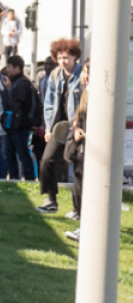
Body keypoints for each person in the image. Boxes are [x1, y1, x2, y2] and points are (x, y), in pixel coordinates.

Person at [38, 38, 83, 214]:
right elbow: (48, 103)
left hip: (76, 128)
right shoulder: (55, 75)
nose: (63, 61)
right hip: (59, 128)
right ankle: (50, 200)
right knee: (46, 161)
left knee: (78, 168)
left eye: (66, 57)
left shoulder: (82, 74)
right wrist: (49, 128)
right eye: (59, 57)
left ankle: (78, 208)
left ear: (74, 57)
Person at [65, 61, 90, 240]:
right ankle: (80, 216)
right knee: (79, 177)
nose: (86, 76)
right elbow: (78, 115)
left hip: (93, 144)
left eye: (90, 73)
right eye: (85, 72)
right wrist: (75, 128)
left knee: (89, 182)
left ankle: (87, 227)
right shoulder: (84, 90)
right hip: (82, 141)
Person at [3, 55, 36, 181]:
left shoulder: (21, 84)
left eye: (10, 67)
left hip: (20, 125)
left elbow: (17, 106)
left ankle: (29, 179)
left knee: (22, 153)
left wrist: (7, 91)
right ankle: (14, 178)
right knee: (9, 153)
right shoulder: (15, 82)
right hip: (12, 125)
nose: (7, 70)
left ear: (18, 68)